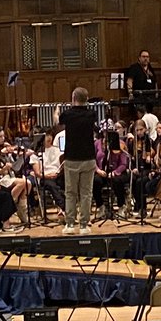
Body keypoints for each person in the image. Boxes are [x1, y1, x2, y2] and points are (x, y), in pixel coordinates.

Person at [59, 87, 98, 235]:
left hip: (72, 158)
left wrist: (56, 112)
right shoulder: (91, 114)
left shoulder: (67, 114)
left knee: (71, 192)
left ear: (73, 98)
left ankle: (69, 224)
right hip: (88, 158)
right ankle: (83, 225)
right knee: (86, 193)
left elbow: (58, 120)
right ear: (86, 99)